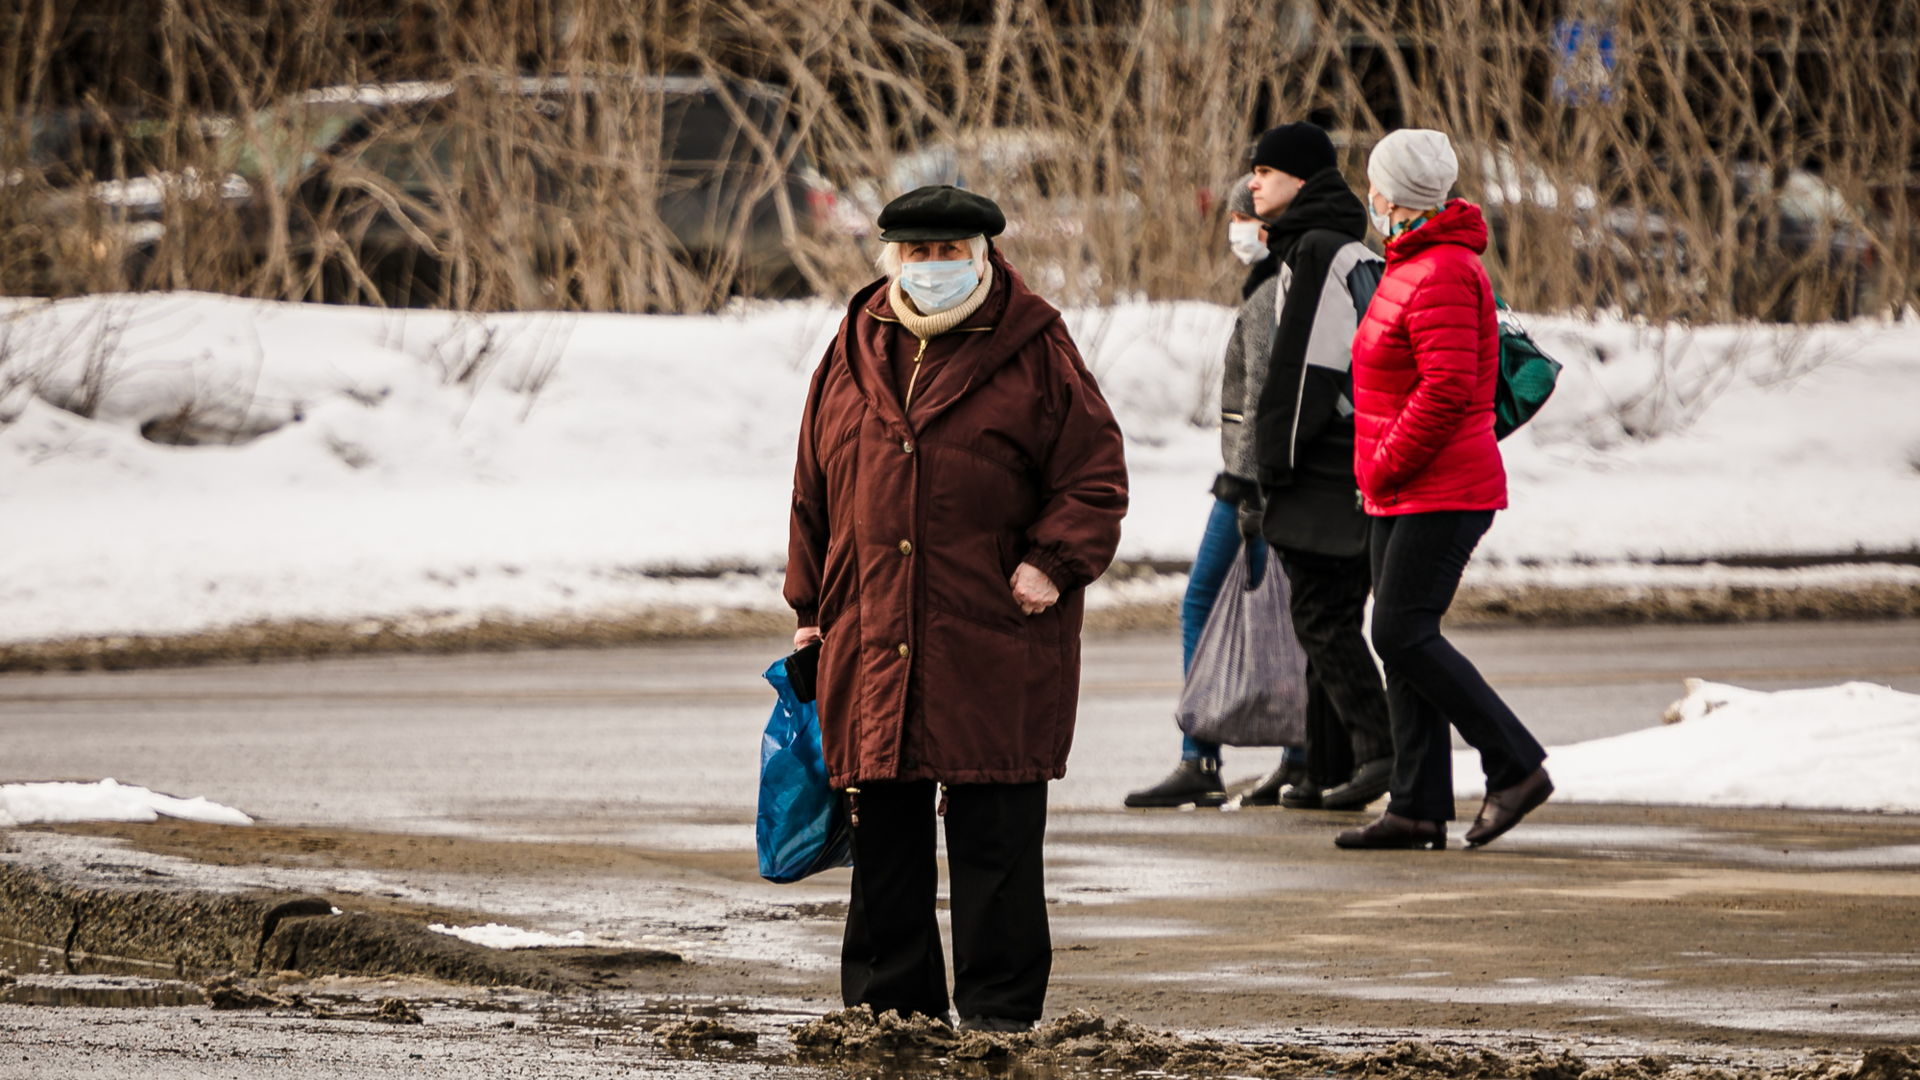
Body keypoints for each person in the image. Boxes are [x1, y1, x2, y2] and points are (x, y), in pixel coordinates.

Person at [785, 185, 1128, 1029]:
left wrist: (1053, 563)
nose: (933, 268)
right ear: (892, 259)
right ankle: (890, 1010)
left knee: (996, 839)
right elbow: (813, 488)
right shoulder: (853, 345)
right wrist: (808, 605)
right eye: (918, 254)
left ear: (982, 257)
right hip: (871, 630)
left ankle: (1000, 1018)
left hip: (996, 630)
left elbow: (1095, 475)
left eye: (950, 254)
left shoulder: (1037, 348)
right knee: (887, 843)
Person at [1337, 129, 1553, 851]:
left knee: (1400, 631)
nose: (1370, 197)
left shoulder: (1446, 271)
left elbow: (1450, 388)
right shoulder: (1411, 262)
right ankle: (1418, 805)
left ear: (1394, 196)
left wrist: (1385, 461)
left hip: (1441, 486)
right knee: (1402, 641)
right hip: (1398, 486)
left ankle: (1515, 764)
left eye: (1376, 185)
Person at [1123, 175, 1305, 810]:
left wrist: (1248, 487)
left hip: (1259, 482)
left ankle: (1205, 757)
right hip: (1260, 478)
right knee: (1284, 609)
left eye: (1244, 216)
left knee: (1208, 598)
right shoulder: (1275, 280)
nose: (1236, 229)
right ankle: (1293, 755)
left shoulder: (1285, 284)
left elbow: (1265, 401)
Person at [1245, 122, 1396, 813]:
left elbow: (1304, 368)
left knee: (1323, 618)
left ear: (1302, 181)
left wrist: (1270, 463)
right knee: (1322, 618)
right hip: (1341, 460)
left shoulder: (1318, 250)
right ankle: (1324, 769)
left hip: (1326, 465)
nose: (1253, 182)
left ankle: (1377, 751)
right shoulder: (1331, 246)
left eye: (1266, 171)